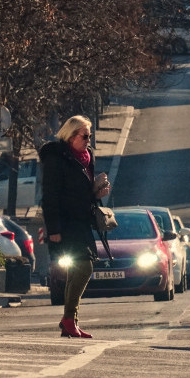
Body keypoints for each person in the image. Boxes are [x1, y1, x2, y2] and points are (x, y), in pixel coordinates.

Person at [40, 114, 111, 339]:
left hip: (82, 220)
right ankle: (69, 319)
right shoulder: (56, 157)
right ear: (71, 136)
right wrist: (54, 230)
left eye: (90, 136)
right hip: (66, 221)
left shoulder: (87, 157)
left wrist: (96, 192)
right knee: (84, 267)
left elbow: (82, 192)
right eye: (85, 136)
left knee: (79, 269)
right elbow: (50, 196)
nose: (88, 140)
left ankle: (70, 321)